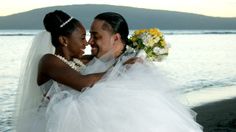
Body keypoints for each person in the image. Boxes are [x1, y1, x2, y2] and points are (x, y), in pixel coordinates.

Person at [43, 12, 203, 132]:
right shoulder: (88, 60)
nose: (89, 42)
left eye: (95, 36)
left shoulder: (134, 68)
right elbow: (76, 77)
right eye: (87, 36)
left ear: (115, 38)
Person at [15, 10, 121, 132]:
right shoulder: (49, 61)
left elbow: (104, 56)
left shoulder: (76, 61)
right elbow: (83, 83)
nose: (86, 43)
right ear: (64, 40)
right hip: (53, 123)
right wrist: (119, 68)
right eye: (82, 38)